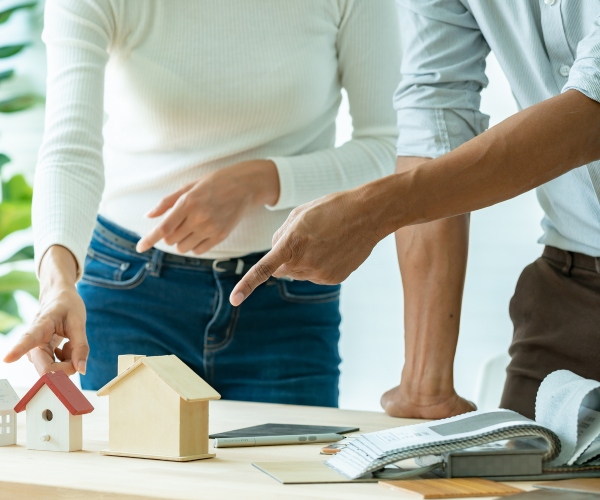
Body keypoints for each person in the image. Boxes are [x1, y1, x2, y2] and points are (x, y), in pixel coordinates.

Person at [3, 0, 401, 406]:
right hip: (130, 291)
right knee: (130, 469)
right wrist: (57, 283)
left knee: (289, 469)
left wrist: (260, 181)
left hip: (285, 294)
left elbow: (387, 147)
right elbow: (70, 149)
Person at [231, 2, 600, 418]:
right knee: (513, 478)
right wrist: (426, 384)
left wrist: (370, 212)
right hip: (570, 286)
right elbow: (435, 112)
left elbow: (591, 115)